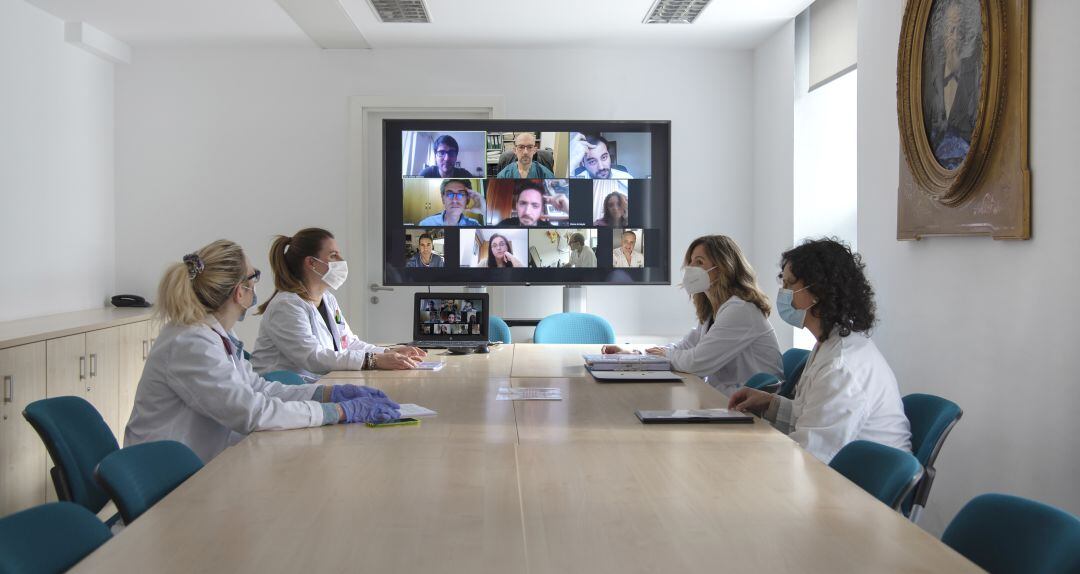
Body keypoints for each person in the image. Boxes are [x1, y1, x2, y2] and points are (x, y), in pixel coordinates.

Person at [123, 240, 402, 463]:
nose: (257, 285)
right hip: (169, 479)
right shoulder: (190, 343)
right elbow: (252, 412)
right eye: (253, 277)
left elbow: (258, 388)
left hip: (205, 461)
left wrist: (327, 394)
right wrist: (337, 412)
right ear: (240, 291)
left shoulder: (217, 334)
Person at [727, 238, 912, 464]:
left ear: (818, 291)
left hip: (861, 490)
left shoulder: (841, 364)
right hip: (836, 474)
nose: (782, 293)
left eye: (789, 284)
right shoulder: (829, 343)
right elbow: (809, 415)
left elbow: (810, 455)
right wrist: (769, 403)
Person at [603, 235, 782, 395]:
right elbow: (683, 348)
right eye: (690, 262)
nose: (690, 268)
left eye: (699, 262)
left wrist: (664, 354)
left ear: (722, 268)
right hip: (724, 400)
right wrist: (634, 353)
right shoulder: (715, 311)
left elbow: (697, 362)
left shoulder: (741, 310)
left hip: (752, 413)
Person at [251, 228, 425, 382]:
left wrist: (388, 352)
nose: (341, 260)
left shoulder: (327, 299)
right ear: (311, 263)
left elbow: (348, 343)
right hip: (283, 393)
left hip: (316, 384)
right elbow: (313, 357)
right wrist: (373, 360)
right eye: (333, 255)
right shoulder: (286, 306)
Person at [417, 179, 485, 226]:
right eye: (450, 194)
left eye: (460, 194)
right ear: (443, 199)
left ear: (467, 200)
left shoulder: (474, 225)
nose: (454, 200)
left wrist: (484, 211)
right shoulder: (426, 224)